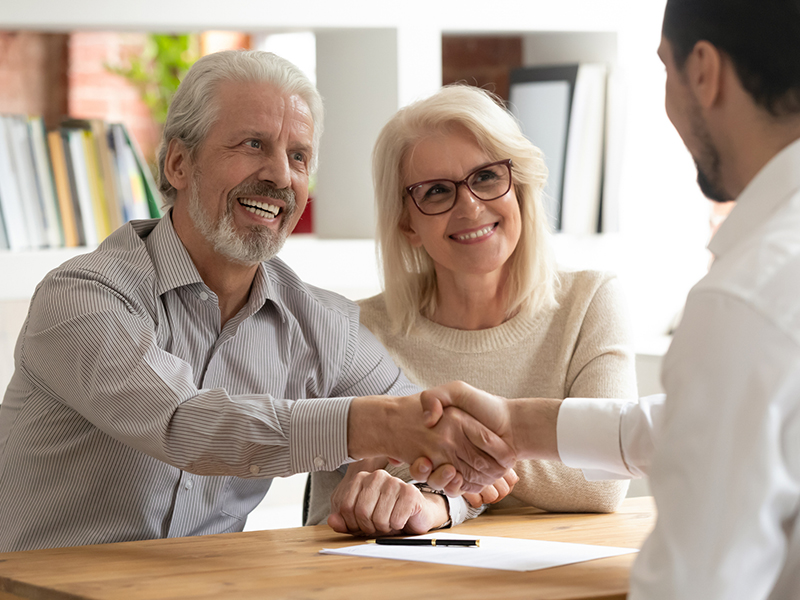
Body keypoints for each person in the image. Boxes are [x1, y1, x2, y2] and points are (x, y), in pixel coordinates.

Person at [0, 50, 515, 553]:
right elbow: (184, 423)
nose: (280, 176)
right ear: (179, 163)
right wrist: (375, 426)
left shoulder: (324, 326)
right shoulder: (84, 296)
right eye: (253, 144)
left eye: (298, 156)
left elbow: (434, 444)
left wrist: (431, 499)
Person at [416, 0, 800, 597]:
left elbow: (692, 585)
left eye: (663, 72)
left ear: (704, 71)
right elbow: (709, 426)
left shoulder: (746, 299)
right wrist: (519, 424)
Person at [306, 84, 637, 535]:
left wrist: (441, 473)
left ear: (518, 186)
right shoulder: (354, 332)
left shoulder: (590, 302)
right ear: (407, 222)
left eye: (485, 177)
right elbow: (332, 511)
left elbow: (602, 478)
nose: (470, 207)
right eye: (438, 191)